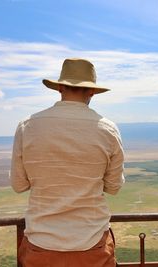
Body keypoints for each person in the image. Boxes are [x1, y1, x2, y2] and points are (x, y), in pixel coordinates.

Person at [9, 58, 125, 267]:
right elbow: (114, 187)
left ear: (60, 87)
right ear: (91, 91)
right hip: (92, 243)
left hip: (41, 243)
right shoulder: (108, 130)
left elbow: (19, 185)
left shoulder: (28, 126)